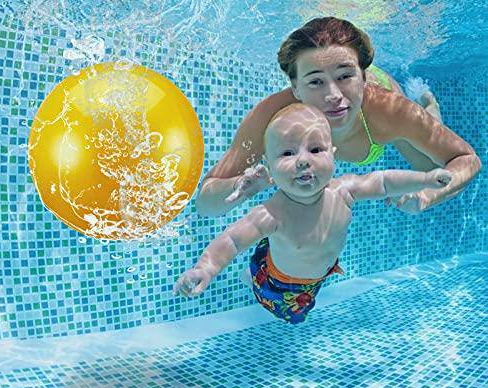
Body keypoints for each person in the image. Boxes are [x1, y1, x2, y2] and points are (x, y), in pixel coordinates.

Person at [174, 104, 452, 324]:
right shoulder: (272, 214)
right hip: (278, 282)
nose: (304, 160)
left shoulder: (344, 191)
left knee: (303, 304)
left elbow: (384, 182)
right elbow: (233, 240)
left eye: (316, 149)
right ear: (269, 167)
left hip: (319, 273)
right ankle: (251, 277)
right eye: (287, 153)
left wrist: (425, 179)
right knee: (292, 317)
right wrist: (206, 268)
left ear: (333, 154)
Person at [195, 17, 480, 217]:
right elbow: (206, 203)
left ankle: (429, 104)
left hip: (377, 111)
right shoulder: (272, 117)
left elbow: (467, 160)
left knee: (431, 170)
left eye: (345, 77)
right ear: (295, 88)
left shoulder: (390, 109)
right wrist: (240, 187)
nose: (333, 95)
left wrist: (426, 196)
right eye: (315, 82)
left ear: (363, 77)